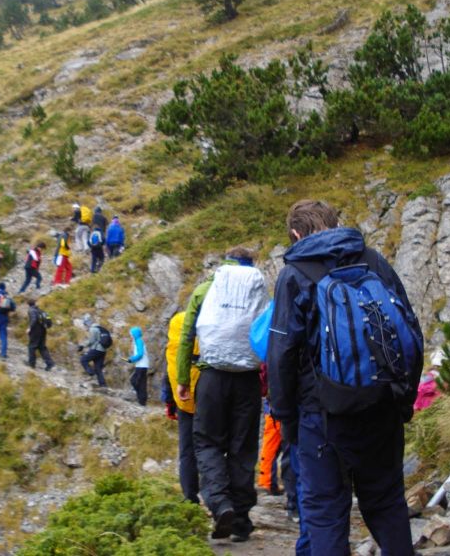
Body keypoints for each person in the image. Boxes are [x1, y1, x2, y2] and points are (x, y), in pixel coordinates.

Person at [267, 199, 422, 556]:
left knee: (325, 514)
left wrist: (286, 420)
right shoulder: (373, 260)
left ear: (295, 234)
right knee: (386, 505)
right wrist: (404, 399)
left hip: (322, 415)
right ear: (336, 223)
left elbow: (281, 354)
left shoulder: (295, 274)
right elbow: (410, 330)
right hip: (381, 406)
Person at [176, 247, 269, 542]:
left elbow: (187, 335)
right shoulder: (257, 288)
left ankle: (220, 504)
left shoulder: (206, 289)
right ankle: (241, 520)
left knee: (207, 443)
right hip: (248, 380)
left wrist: (182, 379)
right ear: (249, 264)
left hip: (212, 377)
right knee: (242, 448)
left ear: (225, 262)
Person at [165, 311, 201, 504]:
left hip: (184, 402)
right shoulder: (210, 325)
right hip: (210, 396)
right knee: (212, 447)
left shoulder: (176, 338)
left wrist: (169, 402)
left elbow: (168, 372)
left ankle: (190, 496)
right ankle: (216, 493)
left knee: (187, 450)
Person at [78, 314, 109, 387]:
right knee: (98, 368)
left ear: (87, 322)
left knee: (83, 359)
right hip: (103, 351)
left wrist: (82, 346)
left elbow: (91, 341)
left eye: (85, 323)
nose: (85, 325)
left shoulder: (92, 329)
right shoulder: (100, 327)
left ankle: (91, 372)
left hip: (96, 349)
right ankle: (103, 385)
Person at [26, 298, 54, 370]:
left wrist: (29, 328)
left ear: (28, 304)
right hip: (43, 330)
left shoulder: (31, 310)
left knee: (32, 346)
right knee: (42, 347)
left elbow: (34, 319)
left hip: (35, 330)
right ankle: (50, 363)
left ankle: (31, 363)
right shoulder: (40, 311)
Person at [128, 326, 149, 406]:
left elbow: (140, 354)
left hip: (141, 365)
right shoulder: (139, 341)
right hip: (143, 365)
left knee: (134, 381)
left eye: (131, 334)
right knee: (142, 383)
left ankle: (141, 398)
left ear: (135, 334)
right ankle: (142, 401)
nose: (131, 336)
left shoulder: (138, 341)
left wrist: (132, 359)